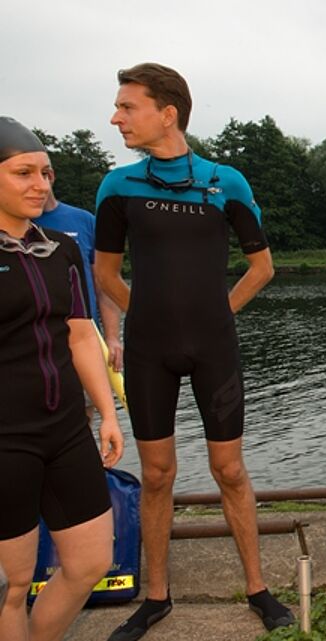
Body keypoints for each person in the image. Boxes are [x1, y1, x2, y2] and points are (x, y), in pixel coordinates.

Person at [93, 63, 292, 639]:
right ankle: (156, 598)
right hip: (151, 351)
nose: (116, 118)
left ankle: (257, 587)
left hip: (214, 348)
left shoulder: (225, 181)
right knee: (156, 474)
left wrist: (216, 313)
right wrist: (149, 318)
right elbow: (105, 273)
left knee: (229, 469)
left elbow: (263, 267)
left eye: (127, 107)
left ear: (167, 112)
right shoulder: (117, 185)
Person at [0, 116, 123, 641]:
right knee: (12, 582)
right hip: (6, 437)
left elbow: (79, 335)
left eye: (46, 173)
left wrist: (109, 413)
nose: (40, 185)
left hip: (66, 427)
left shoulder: (59, 246)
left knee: (91, 561)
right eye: (23, 173)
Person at [36, 167, 124, 417]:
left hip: (84, 342)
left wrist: (112, 337)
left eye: (38, 175)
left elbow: (104, 285)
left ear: (50, 176)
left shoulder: (84, 221)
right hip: (31, 348)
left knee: (82, 423)